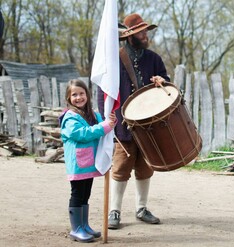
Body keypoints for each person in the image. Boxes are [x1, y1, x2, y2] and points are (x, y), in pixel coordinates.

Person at [97, 13, 170, 229]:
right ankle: (114, 212)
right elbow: (104, 92)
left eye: (146, 31)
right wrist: (108, 120)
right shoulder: (114, 60)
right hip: (123, 124)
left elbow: (167, 84)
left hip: (149, 123)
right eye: (141, 31)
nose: (146, 35)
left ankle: (141, 208)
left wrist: (161, 81)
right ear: (130, 36)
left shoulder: (154, 59)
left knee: (146, 167)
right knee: (120, 167)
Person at [59, 79, 117, 242]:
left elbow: (104, 123)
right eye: (74, 95)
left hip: (89, 163)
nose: (78, 97)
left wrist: (111, 120)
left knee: (86, 194)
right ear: (68, 98)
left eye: (81, 93)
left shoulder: (93, 114)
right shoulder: (70, 117)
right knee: (77, 194)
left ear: (87, 95)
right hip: (78, 164)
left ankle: (84, 225)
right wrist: (104, 126)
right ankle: (76, 229)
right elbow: (82, 133)